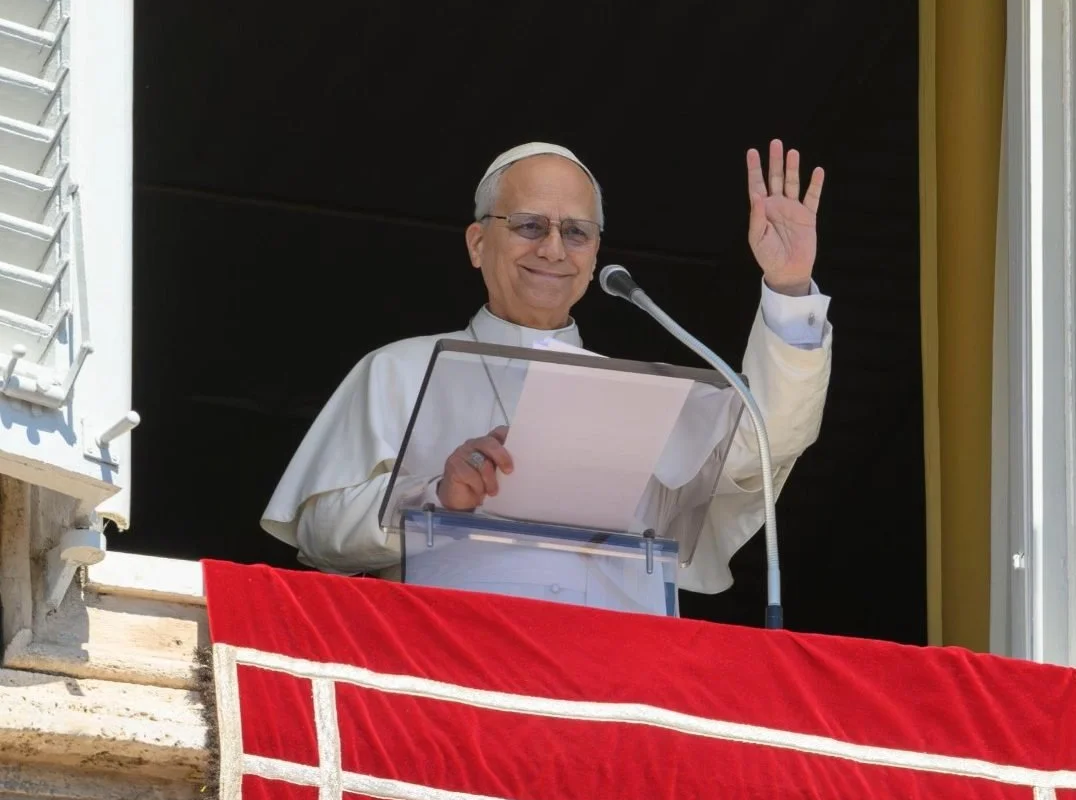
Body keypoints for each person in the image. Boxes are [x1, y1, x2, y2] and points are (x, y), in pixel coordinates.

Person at [261, 140, 832, 614]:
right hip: (449, 671)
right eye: (530, 225)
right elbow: (320, 534)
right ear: (478, 243)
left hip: (612, 686)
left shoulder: (641, 399)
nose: (554, 249)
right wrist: (434, 496)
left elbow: (767, 441)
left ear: (595, 253)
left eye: (576, 232)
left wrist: (788, 288)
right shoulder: (397, 369)